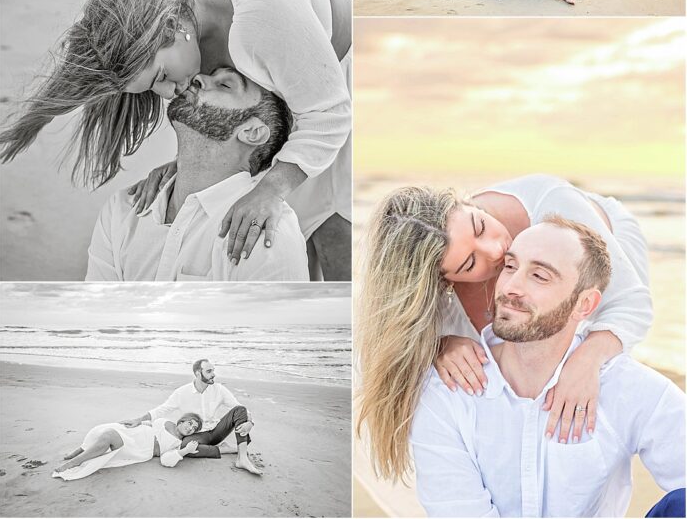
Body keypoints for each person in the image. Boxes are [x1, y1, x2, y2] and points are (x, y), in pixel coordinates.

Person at [0, 0, 351, 280]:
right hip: (293, 94)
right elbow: (229, 114)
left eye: (163, 78)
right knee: (279, 241)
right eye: (154, 89)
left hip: (346, 82)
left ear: (170, 29)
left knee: (331, 235)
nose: (169, 94)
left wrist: (272, 189)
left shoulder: (260, 11)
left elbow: (330, 113)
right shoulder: (182, 22)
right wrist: (189, 168)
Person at [356, 174, 652, 482]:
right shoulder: (432, 289)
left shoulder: (551, 204)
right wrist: (438, 345)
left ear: (464, 202)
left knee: (581, 359)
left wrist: (586, 361)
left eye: (480, 227)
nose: (496, 250)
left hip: (607, 237)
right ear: (441, 281)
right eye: (469, 263)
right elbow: (380, 357)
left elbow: (631, 306)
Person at [411, 217, 685, 517]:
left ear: (585, 305)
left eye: (539, 276)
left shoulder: (625, 387)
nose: (511, 287)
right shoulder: (447, 388)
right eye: (510, 267)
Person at [86, 67, 308, 280]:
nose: (198, 77)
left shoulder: (265, 232)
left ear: (252, 132)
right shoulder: (122, 209)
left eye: (224, 85)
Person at [120, 359, 262, 476]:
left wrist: (250, 422)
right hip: (197, 435)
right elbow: (162, 409)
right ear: (197, 373)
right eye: (209, 371)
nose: (213, 375)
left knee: (240, 410)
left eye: (213, 370)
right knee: (184, 447)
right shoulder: (182, 392)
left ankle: (242, 458)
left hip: (217, 430)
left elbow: (238, 407)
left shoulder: (219, 389)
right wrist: (139, 419)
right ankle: (228, 449)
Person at [51, 413, 203, 481]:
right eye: (190, 423)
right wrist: (137, 422)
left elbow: (166, 461)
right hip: (136, 432)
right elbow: (149, 423)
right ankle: (81, 450)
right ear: (182, 421)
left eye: (194, 428)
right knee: (102, 428)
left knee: (109, 435)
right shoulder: (165, 421)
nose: (191, 428)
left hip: (141, 447)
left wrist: (184, 451)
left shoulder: (179, 443)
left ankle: (75, 462)